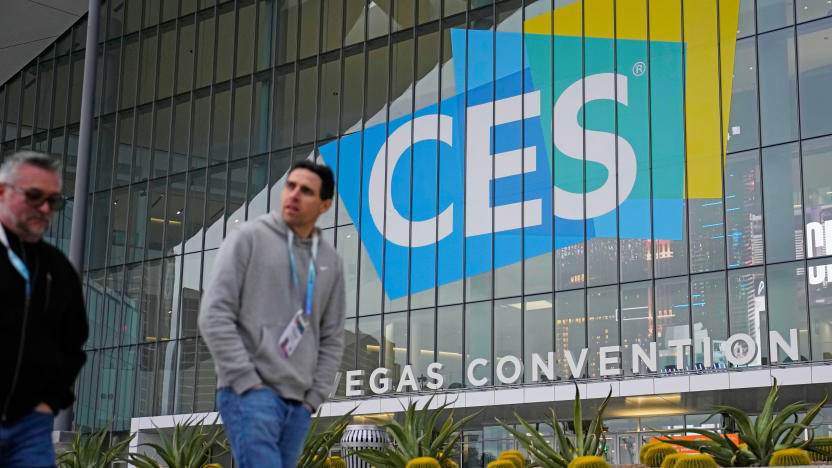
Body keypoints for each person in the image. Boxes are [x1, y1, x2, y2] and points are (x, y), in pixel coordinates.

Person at [199, 160, 346, 468]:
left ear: (325, 205)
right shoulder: (249, 239)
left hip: (298, 402)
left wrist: (313, 397)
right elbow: (214, 314)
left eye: (306, 191)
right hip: (251, 393)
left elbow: (332, 337)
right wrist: (246, 380)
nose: (293, 195)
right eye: (290, 186)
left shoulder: (330, 261)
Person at [0, 151, 88, 466]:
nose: (45, 209)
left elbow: (74, 344)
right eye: (35, 197)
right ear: (2, 191)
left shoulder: (57, 269)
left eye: (54, 201)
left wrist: (50, 402)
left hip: (30, 427)